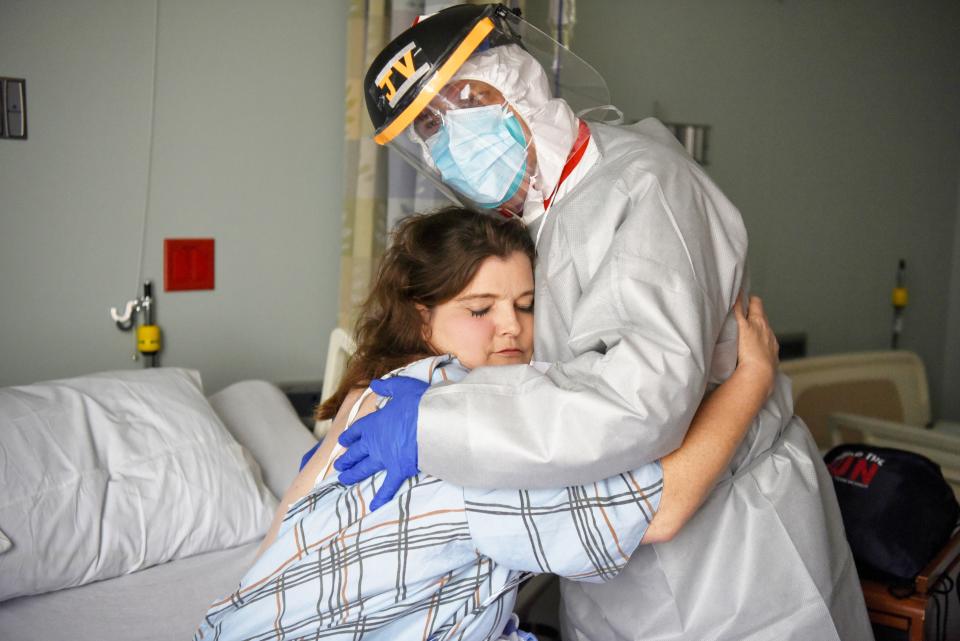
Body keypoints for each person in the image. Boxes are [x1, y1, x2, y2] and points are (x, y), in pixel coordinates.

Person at [338, 4, 874, 640]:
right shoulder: (545, 217)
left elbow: (634, 405)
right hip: (617, 562)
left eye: (466, 100)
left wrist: (434, 420)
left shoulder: (648, 189)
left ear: (518, 81)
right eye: (429, 126)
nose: (449, 137)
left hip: (733, 552)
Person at [197, 208, 780, 641]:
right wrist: (751, 381)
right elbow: (661, 508)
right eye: (479, 310)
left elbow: (277, 540)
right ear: (421, 320)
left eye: (526, 306)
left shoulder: (367, 394)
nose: (511, 328)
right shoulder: (461, 415)